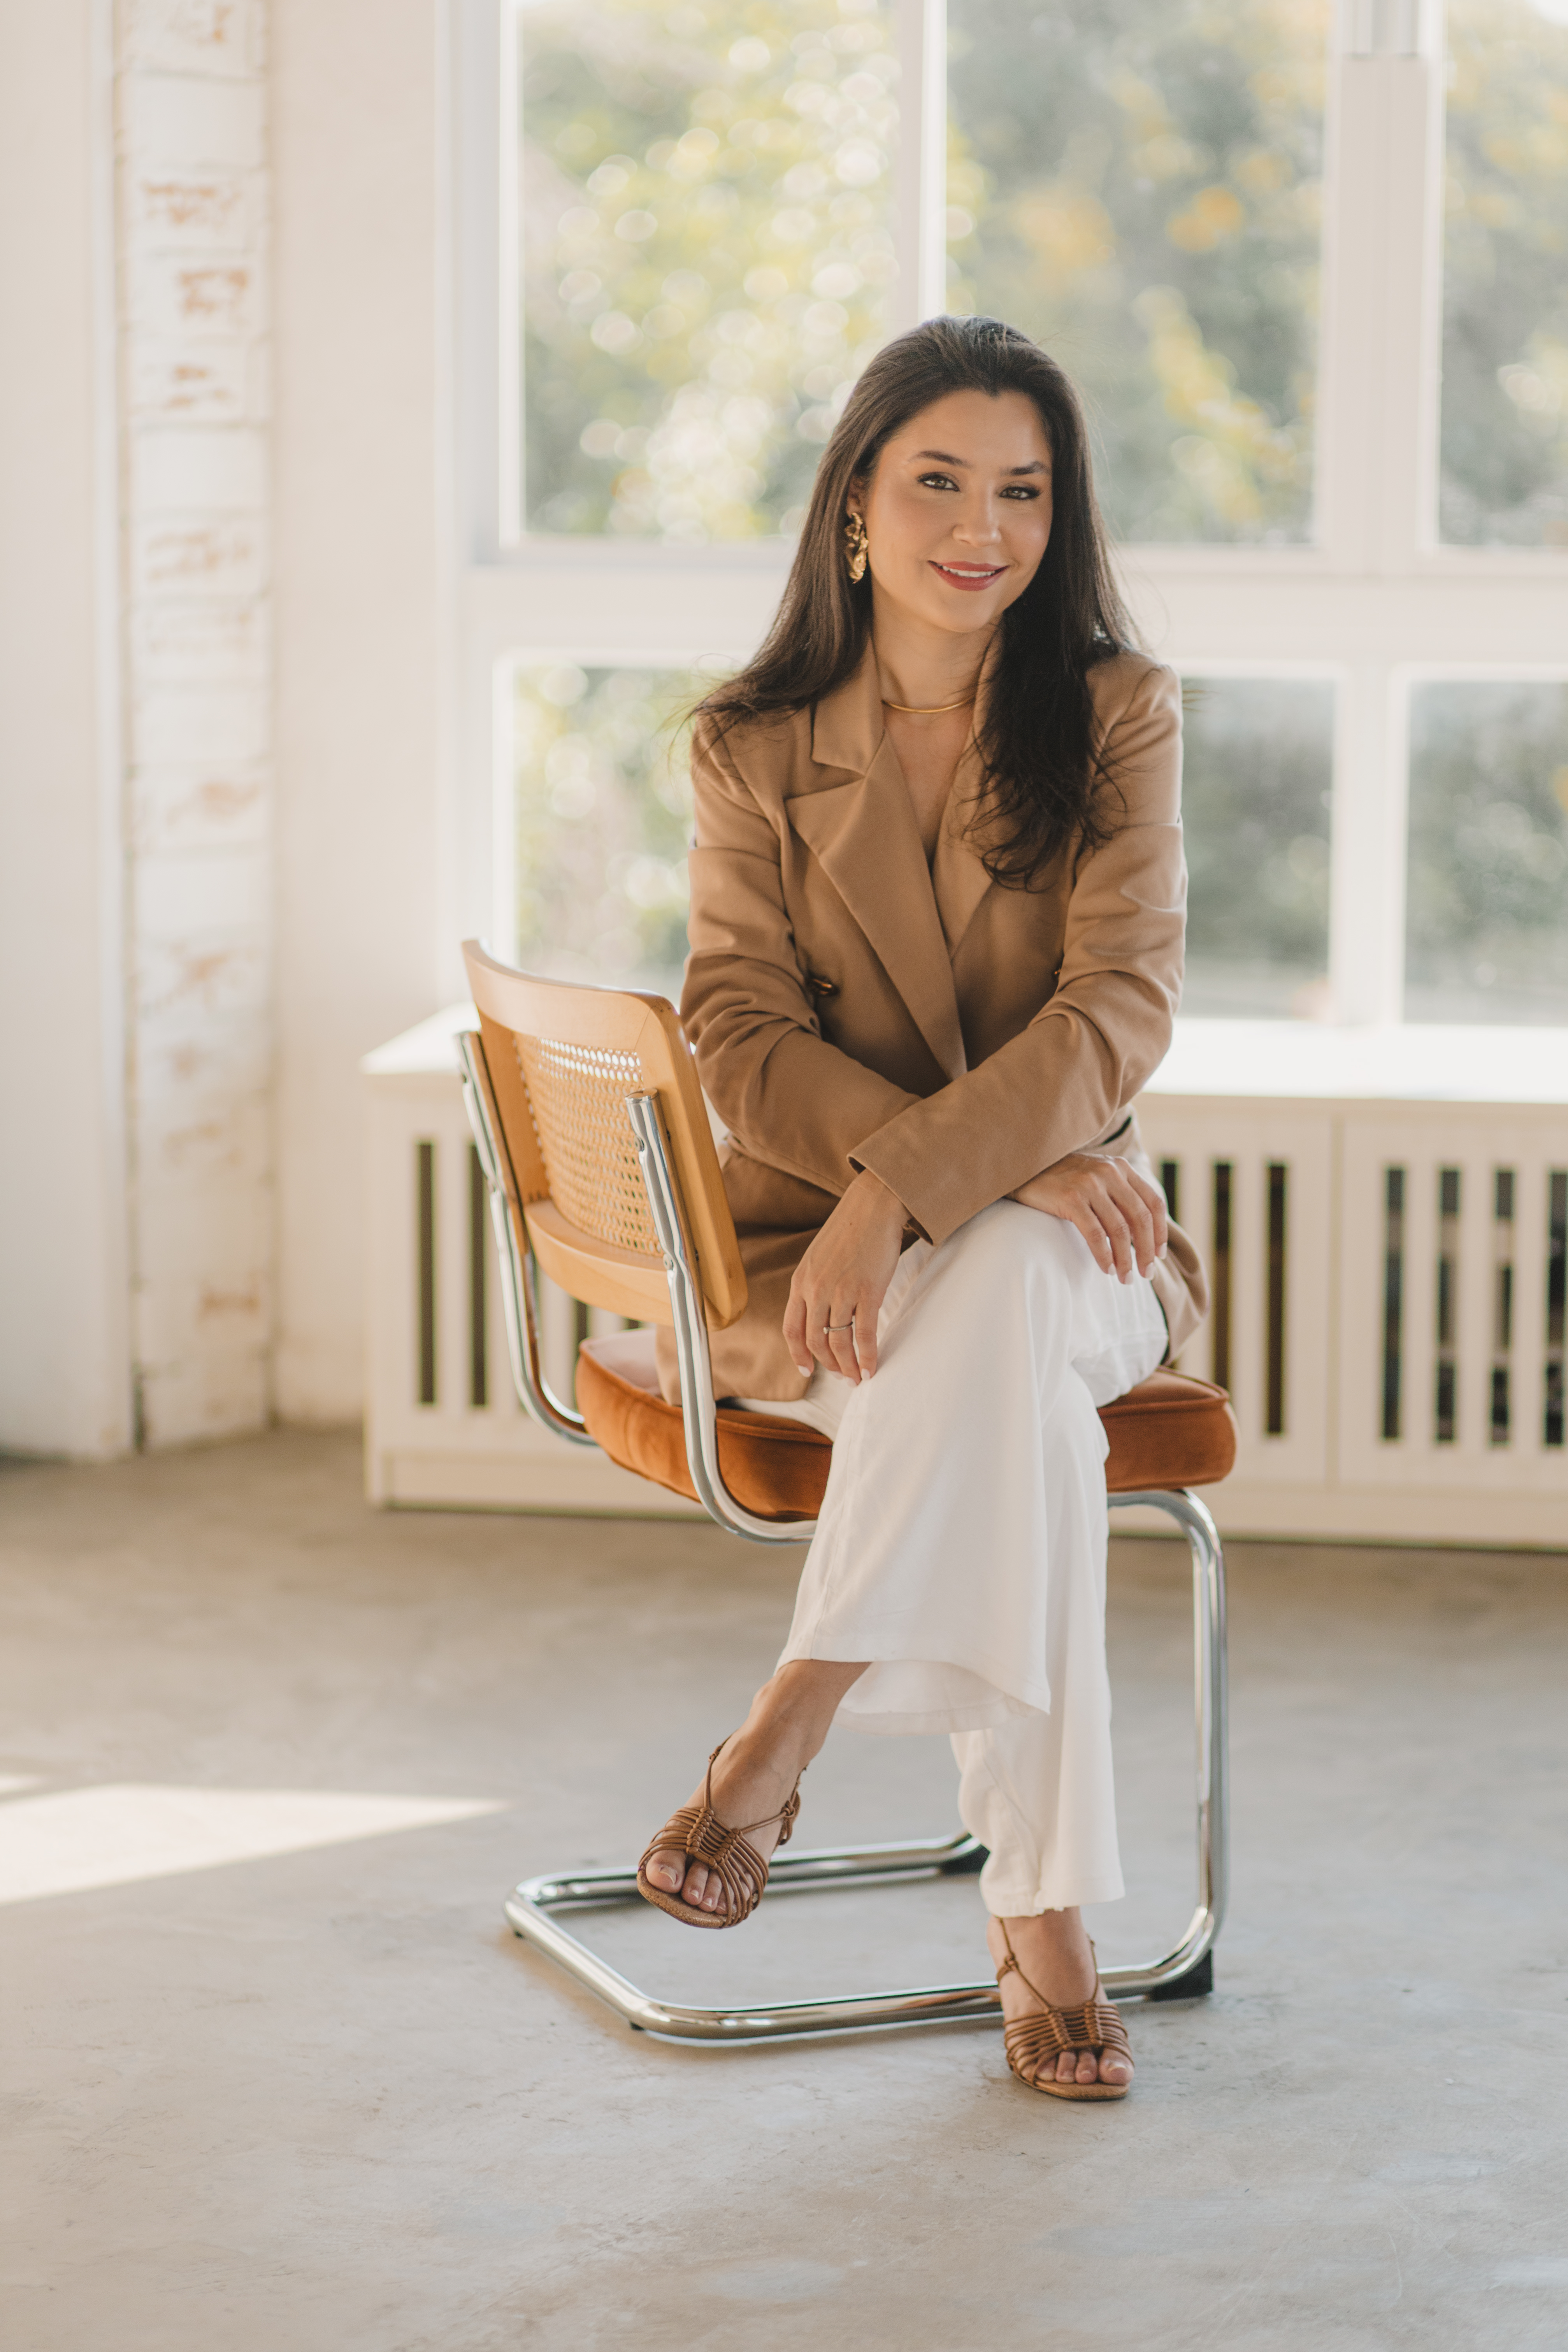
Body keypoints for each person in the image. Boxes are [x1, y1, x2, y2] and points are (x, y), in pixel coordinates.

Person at [637, 315, 1207, 2101]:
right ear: (859, 509)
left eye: (1024, 489)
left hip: (1088, 1246)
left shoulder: (1113, 712)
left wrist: (917, 1184)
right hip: (830, 1259)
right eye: (941, 479)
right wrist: (929, 1182)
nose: (987, 524)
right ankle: (1045, 1926)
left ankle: (786, 1718)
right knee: (1013, 1378)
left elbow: (1122, 1005)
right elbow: (734, 1031)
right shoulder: (752, 746)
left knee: (1029, 1277)